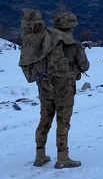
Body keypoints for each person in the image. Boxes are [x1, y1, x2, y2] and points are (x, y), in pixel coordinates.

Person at [19, 9, 90, 168]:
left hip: (44, 86)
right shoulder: (72, 43)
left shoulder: (43, 39)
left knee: (45, 120)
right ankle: (63, 158)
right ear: (72, 26)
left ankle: (40, 156)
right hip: (65, 88)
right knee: (63, 121)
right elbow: (85, 66)